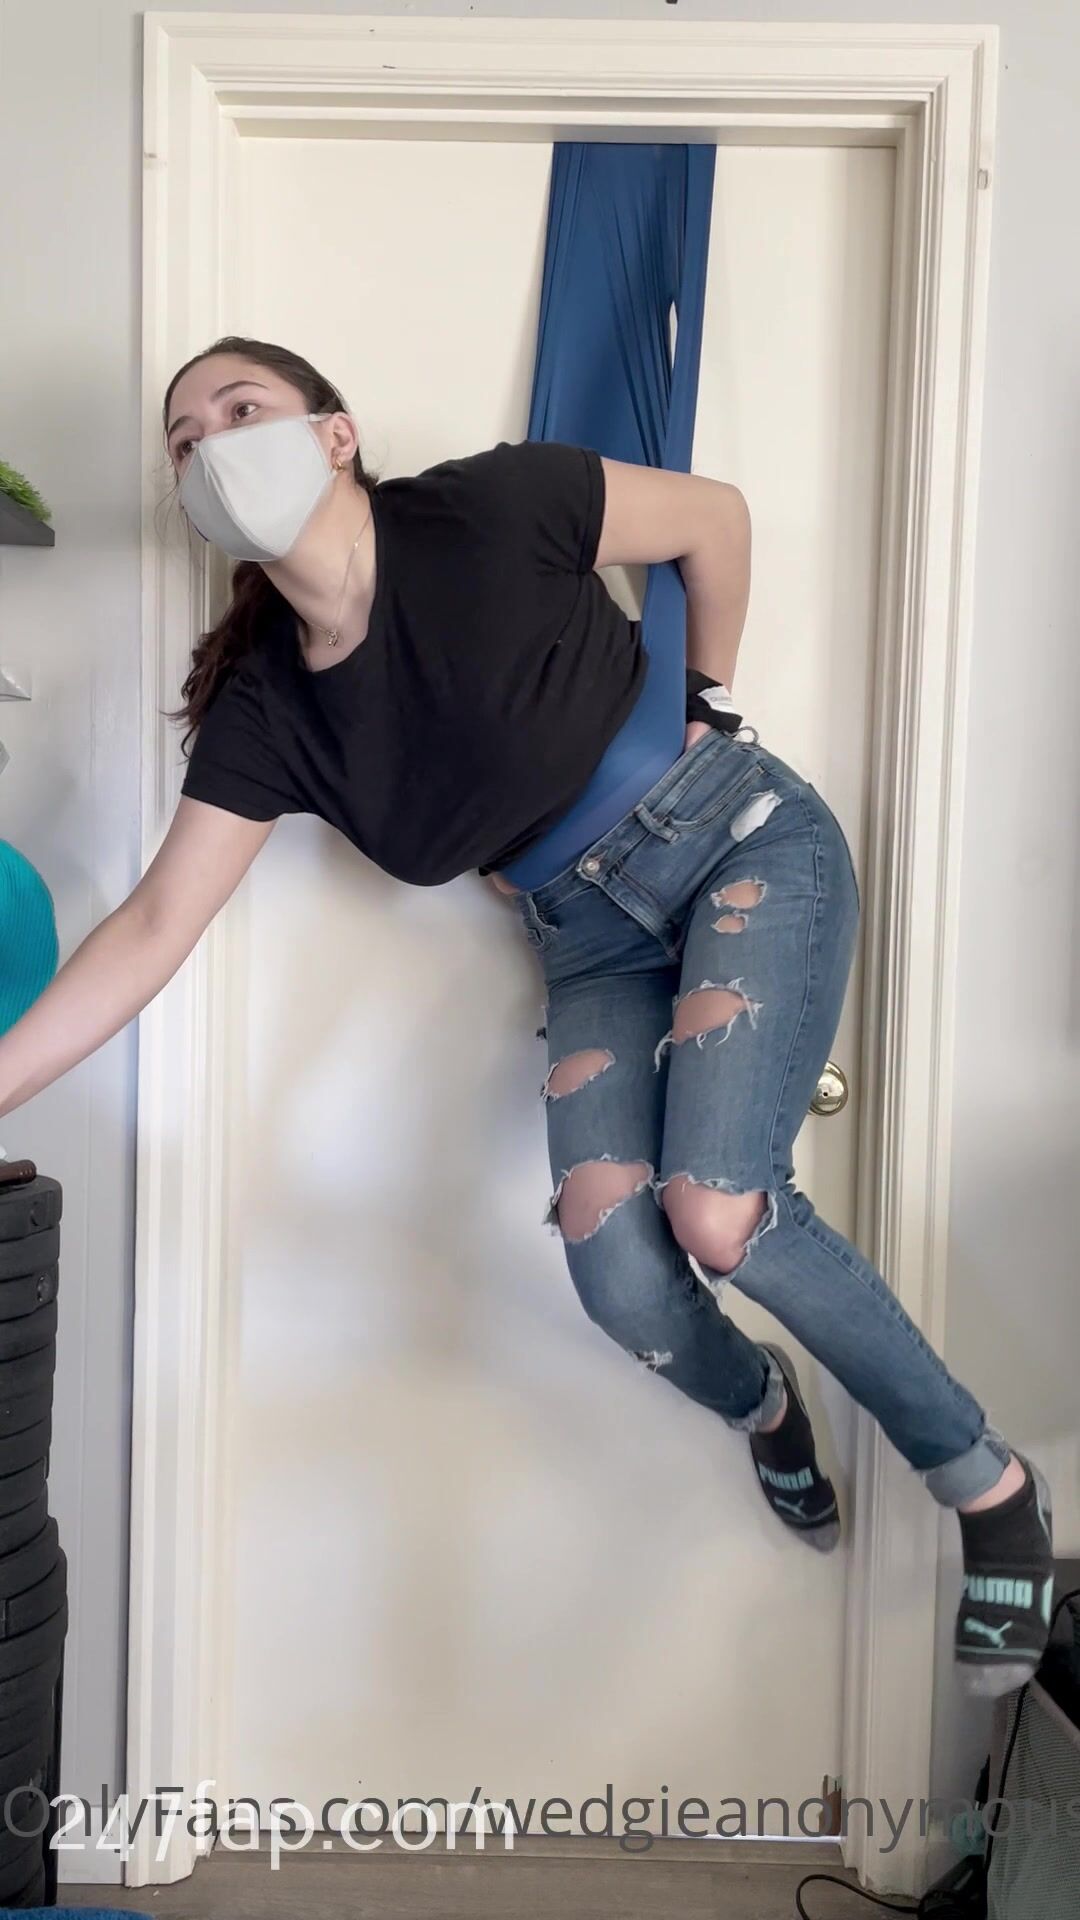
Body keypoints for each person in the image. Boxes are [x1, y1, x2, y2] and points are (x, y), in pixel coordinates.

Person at [0, 336, 1052, 1698]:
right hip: (587, 936)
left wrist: (701, 693)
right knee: (618, 1277)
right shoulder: (266, 704)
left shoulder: (487, 506)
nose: (210, 445)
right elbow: (151, 929)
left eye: (241, 408)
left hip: (739, 840)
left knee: (717, 1210)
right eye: (184, 440)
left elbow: (714, 519)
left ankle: (988, 1484)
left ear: (333, 434)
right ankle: (763, 1401)